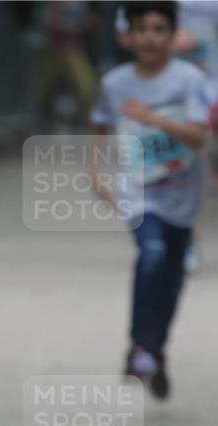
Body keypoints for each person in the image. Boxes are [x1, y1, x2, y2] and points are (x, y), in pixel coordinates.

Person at [90, 0, 211, 398]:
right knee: (152, 254)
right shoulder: (115, 83)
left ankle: (156, 350)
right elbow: (99, 123)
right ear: (127, 35)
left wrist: (154, 119)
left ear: (173, 34)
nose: (149, 38)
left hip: (181, 194)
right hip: (138, 192)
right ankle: (140, 346)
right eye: (141, 29)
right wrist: (95, 173)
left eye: (159, 29)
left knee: (172, 280)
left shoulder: (190, 80)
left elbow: (198, 137)